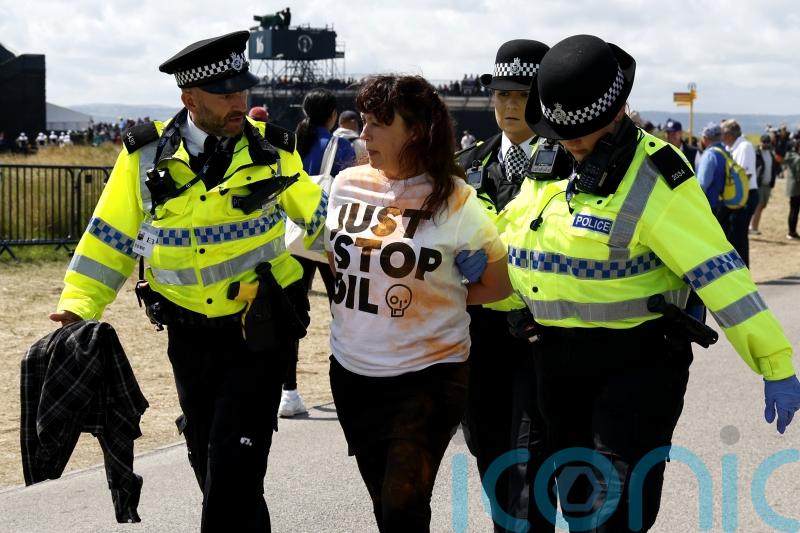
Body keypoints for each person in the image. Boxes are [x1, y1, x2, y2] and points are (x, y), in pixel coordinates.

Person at [499, 34, 800, 533]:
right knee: (575, 504)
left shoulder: (657, 178)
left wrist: (774, 362)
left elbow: (720, 275)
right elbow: (514, 233)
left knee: (611, 515)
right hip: (553, 362)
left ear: (617, 115)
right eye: (561, 134)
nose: (571, 146)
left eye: (583, 136)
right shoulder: (550, 163)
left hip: (635, 368)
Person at [49, 30, 327, 533]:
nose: (239, 102)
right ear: (189, 98)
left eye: (243, 90)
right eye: (225, 94)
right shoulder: (143, 157)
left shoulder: (275, 152)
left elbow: (321, 222)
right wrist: (78, 305)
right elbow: (108, 239)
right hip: (188, 337)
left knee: (232, 467)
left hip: (258, 333)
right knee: (220, 471)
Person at [326, 74, 512, 533]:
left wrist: (435, 298)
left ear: (415, 131)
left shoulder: (457, 201)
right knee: (384, 505)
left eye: (377, 125)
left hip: (429, 376)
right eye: (364, 122)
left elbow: (498, 283)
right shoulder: (346, 185)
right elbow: (338, 261)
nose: (363, 135)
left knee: (401, 508)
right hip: (352, 374)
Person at [455, 38, 556, 533]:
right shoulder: (466, 165)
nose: (510, 105)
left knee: (529, 461)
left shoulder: (573, 165)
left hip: (542, 337)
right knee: (489, 450)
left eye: (522, 94)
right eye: (501, 95)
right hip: (478, 340)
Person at [279, 88, 357, 418]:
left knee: (291, 315)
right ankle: (348, 387)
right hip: (331, 235)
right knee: (344, 311)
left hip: (295, 235)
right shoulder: (342, 146)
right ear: (333, 115)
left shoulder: (293, 145)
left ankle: (289, 392)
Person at [721, 119, 758, 264]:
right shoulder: (733, 147)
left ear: (730, 134)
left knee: (739, 238)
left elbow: (744, 176)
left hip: (744, 197)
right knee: (733, 236)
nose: (720, 136)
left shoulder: (744, 147)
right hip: (737, 197)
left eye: (722, 133)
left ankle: (744, 272)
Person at [695, 122, 727, 216]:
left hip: (710, 205)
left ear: (705, 138)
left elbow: (702, 184)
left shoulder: (709, 155)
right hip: (724, 203)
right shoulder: (726, 153)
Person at [750, 133, 779, 234]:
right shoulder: (756, 153)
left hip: (768, 184)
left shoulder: (770, 153)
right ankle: (753, 227)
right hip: (759, 184)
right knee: (759, 204)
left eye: (768, 142)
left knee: (762, 206)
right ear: (760, 142)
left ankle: (753, 226)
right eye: (764, 142)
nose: (766, 144)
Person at [783, 141, 800, 239]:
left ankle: (792, 231)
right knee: (794, 210)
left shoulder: (791, 156)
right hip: (797, 188)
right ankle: (792, 232)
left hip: (793, 187)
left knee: (793, 210)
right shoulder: (797, 159)